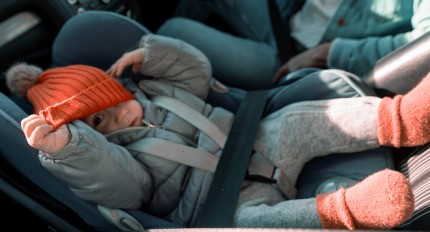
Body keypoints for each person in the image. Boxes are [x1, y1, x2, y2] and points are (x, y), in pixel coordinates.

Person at [9, 33, 420, 229]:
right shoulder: (121, 158)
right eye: (99, 121)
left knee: (300, 119)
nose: (118, 117)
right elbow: (113, 182)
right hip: (223, 203)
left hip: (255, 139)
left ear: (121, 86)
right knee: (253, 224)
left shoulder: (155, 89)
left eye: (115, 103)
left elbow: (198, 73)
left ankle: (403, 117)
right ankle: (345, 209)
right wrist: (69, 148)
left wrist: (153, 56)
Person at [156, 0, 430, 89]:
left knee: (171, 32)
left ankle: (158, 75)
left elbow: (423, 45)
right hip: (287, 18)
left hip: (296, 62)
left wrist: (329, 53)